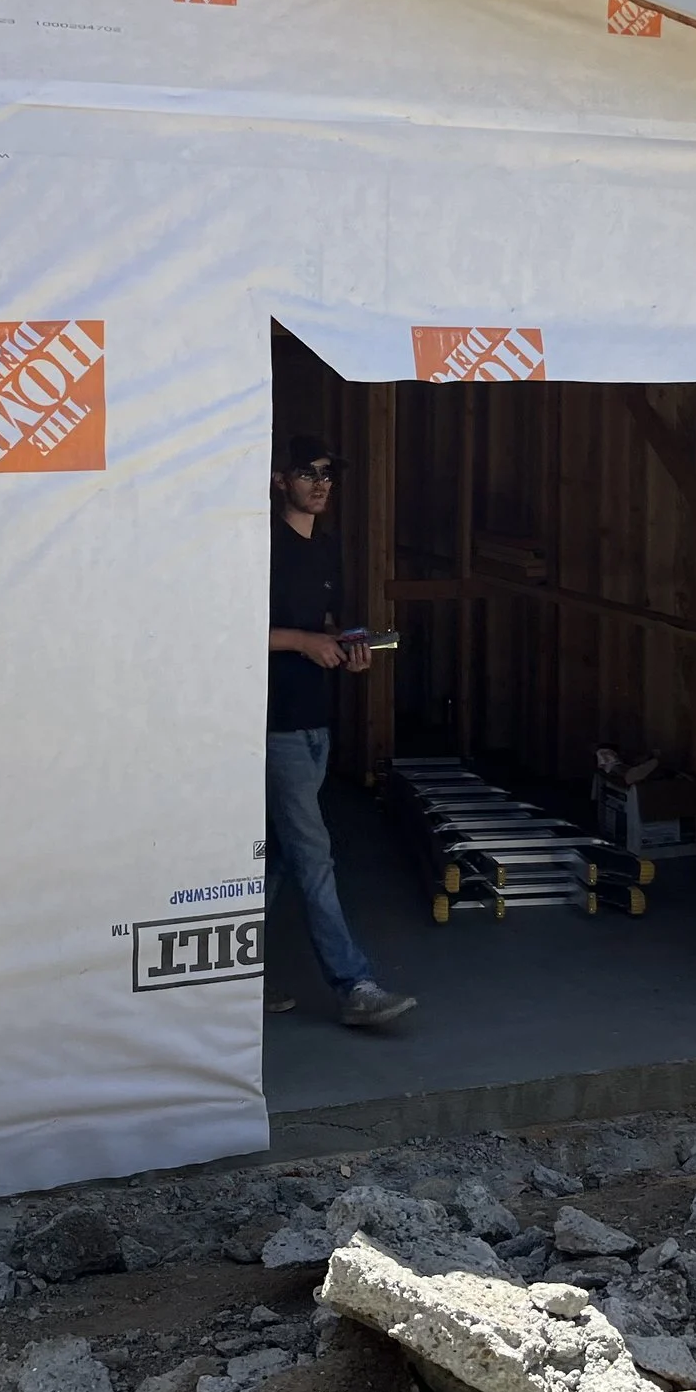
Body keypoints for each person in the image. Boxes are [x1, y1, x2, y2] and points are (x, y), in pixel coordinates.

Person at [267, 434, 417, 1028]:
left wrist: (347, 646)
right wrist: (303, 642)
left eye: (328, 474)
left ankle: (232, 975)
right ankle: (354, 985)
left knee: (277, 854)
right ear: (281, 481)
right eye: (308, 474)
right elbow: (228, 630)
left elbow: (321, 626)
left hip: (314, 722)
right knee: (313, 853)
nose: (321, 484)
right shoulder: (261, 547)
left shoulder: (324, 550)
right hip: (274, 722)